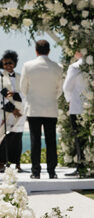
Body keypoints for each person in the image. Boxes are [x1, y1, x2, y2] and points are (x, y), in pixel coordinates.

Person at [19, 39, 63, 180]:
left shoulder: (27, 66)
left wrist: (32, 97)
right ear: (49, 51)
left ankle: (36, 172)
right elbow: (59, 90)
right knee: (51, 141)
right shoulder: (57, 67)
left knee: (35, 140)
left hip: (34, 109)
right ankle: (52, 171)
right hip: (50, 109)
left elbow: (22, 88)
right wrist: (50, 97)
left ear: (36, 51)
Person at [62, 50, 87, 171]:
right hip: (92, 107)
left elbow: (66, 87)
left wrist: (68, 100)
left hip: (77, 106)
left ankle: (81, 165)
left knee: (79, 138)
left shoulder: (75, 66)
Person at [0, 50, 24, 172]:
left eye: (10, 63)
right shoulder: (0, 77)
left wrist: (16, 96)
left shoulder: (21, 76)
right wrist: (12, 109)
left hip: (20, 111)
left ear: (14, 63)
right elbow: (1, 95)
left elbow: (25, 93)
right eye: (5, 64)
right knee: (4, 137)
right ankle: (2, 162)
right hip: (6, 111)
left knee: (18, 137)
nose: (8, 66)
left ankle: (17, 163)